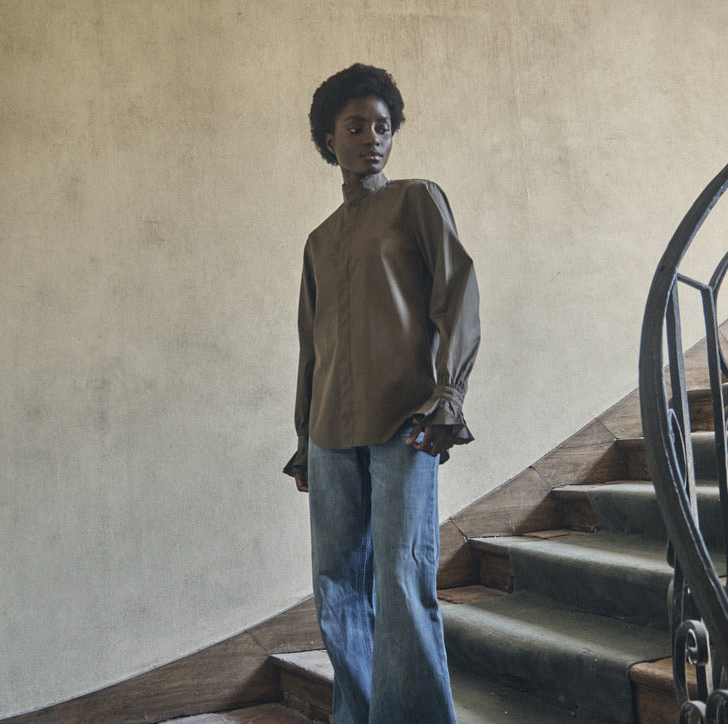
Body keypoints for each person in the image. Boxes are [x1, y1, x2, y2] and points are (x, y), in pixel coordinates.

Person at [283, 63, 481, 724]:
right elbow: (312, 346)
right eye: (356, 126)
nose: (372, 136)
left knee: (401, 582)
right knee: (336, 587)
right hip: (328, 434)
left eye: (383, 126)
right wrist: (302, 441)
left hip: (407, 420)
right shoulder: (317, 242)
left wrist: (448, 401)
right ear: (329, 140)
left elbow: (457, 298)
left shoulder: (417, 200)